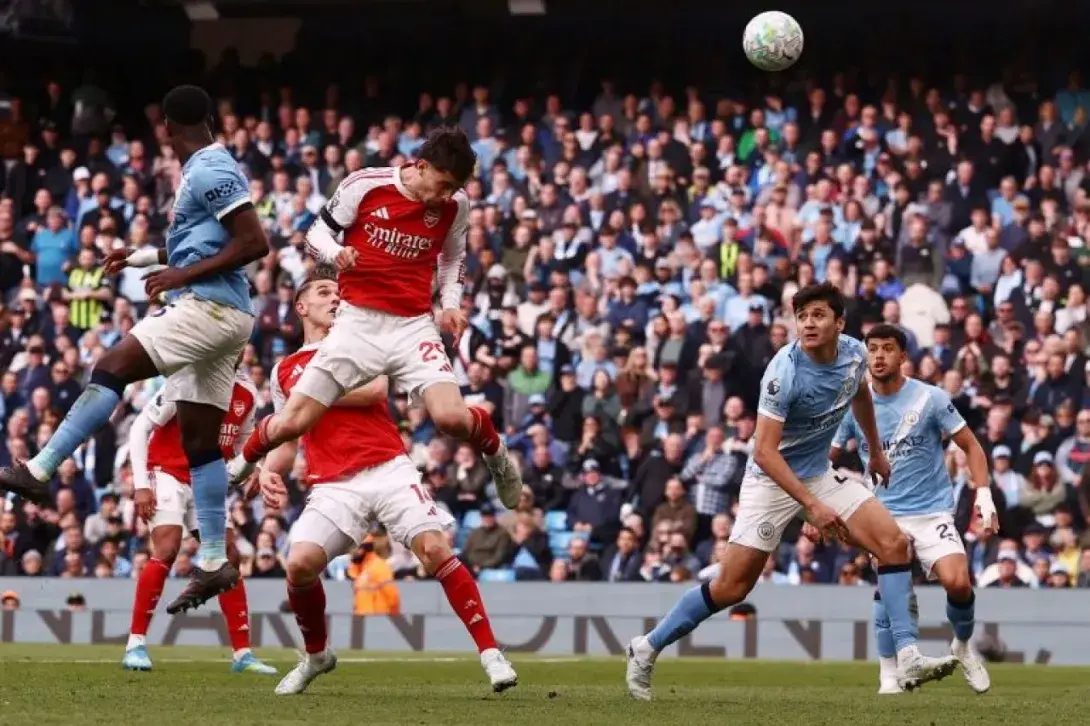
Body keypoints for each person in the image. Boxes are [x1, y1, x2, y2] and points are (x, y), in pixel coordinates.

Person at [0, 85, 269, 612]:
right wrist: (142, 256)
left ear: (166, 126)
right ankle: (214, 557)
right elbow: (203, 241)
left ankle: (41, 469)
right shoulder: (206, 168)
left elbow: (254, 242)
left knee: (110, 366)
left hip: (208, 307)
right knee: (200, 443)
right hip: (227, 314)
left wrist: (181, 276)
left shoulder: (211, 169)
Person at [624, 282, 956, 701]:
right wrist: (812, 507)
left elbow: (859, 394)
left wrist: (874, 451)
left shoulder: (855, 353)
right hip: (771, 481)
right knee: (732, 588)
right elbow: (764, 452)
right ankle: (646, 647)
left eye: (818, 315)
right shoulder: (784, 372)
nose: (808, 324)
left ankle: (907, 656)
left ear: (839, 323)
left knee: (893, 544)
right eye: (802, 316)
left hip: (816, 473)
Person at [252, 270, 517, 695]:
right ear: (301, 307)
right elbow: (287, 437)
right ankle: (317, 655)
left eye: (339, 293)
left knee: (435, 550)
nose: (334, 299)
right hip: (333, 484)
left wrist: (310, 395)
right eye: (324, 292)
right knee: (299, 564)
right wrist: (269, 469)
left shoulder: (359, 342)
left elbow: (376, 389)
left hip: (388, 466)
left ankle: (491, 653)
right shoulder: (284, 369)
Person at [230, 128, 522, 510]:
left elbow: (453, 257)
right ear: (421, 166)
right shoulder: (365, 185)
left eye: (455, 188)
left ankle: (498, 455)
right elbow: (316, 234)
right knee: (292, 421)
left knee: (451, 418)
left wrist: (451, 303)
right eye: (443, 184)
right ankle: (243, 462)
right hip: (356, 323)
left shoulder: (456, 204)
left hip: (413, 325)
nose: (446, 195)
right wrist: (335, 254)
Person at [829, 323, 997, 695]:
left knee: (959, 583)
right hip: (883, 513)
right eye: (872, 349)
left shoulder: (930, 398)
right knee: (889, 587)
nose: (878, 356)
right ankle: (889, 673)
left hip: (932, 510)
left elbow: (971, 446)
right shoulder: (854, 403)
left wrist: (983, 494)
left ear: (903, 356)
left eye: (887, 349)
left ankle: (962, 645)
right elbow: (828, 457)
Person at [121, 365, 276, 676]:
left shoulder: (247, 391)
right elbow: (140, 428)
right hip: (166, 471)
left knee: (229, 556)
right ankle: (135, 644)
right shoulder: (189, 376)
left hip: (206, 481)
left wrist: (255, 470)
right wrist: (141, 485)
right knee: (168, 547)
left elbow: (244, 441)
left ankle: (242, 654)